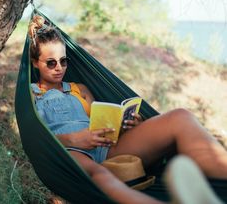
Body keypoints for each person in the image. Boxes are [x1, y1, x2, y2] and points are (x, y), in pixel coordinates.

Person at [29, 15, 227, 204]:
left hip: (105, 149)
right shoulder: (31, 93)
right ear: (35, 63)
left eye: (64, 61)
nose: (59, 68)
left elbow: (104, 122)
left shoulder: (79, 89)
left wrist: (126, 126)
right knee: (100, 174)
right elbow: (33, 139)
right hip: (67, 152)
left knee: (181, 118)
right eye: (51, 63)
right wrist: (73, 139)